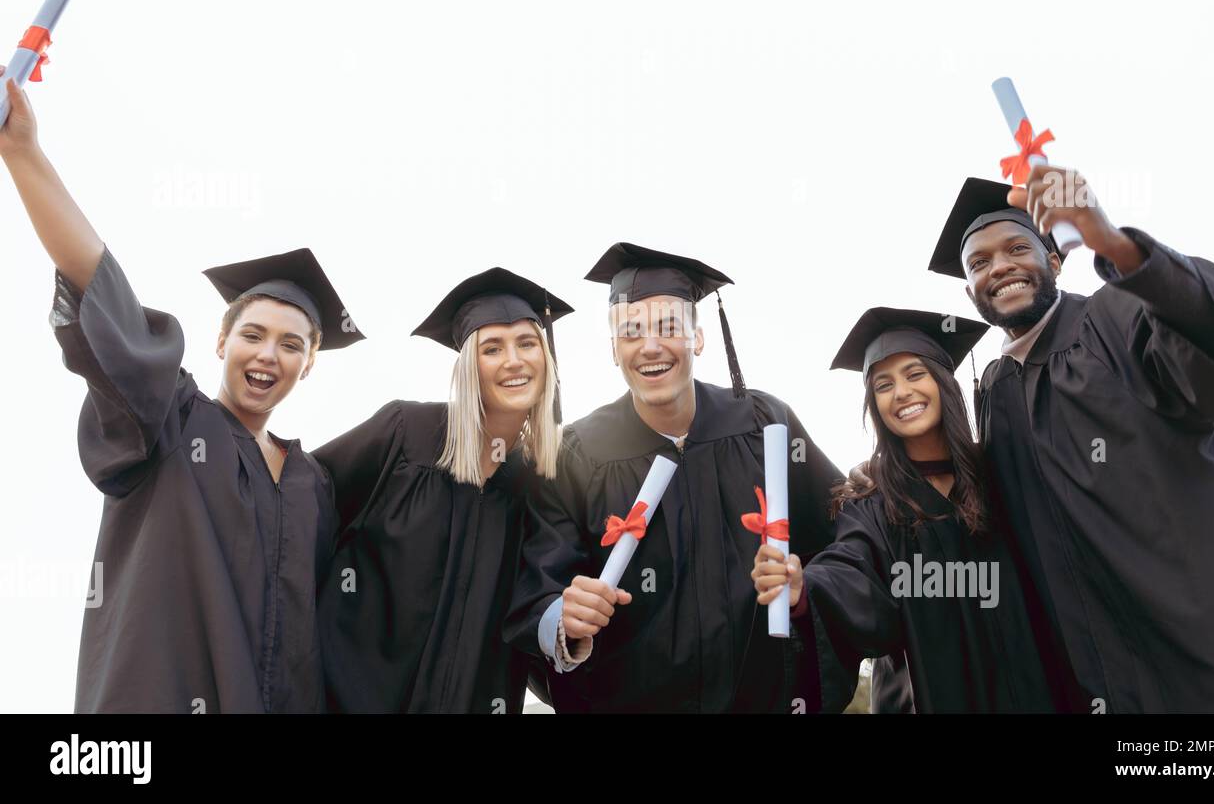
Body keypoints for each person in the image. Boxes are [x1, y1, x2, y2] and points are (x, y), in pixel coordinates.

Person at [0, 72, 364, 712]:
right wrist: (23, 155)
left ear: (309, 365)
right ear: (221, 341)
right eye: (253, 334)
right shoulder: (171, 419)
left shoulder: (314, 484)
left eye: (291, 344)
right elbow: (103, 290)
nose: (268, 355)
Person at [927, 172, 1214, 712]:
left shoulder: (1117, 316)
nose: (999, 267)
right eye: (979, 263)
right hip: (1105, 678)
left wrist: (1116, 245)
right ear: (969, 291)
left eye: (1017, 248)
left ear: (1055, 260)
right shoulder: (995, 390)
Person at [505, 243, 840, 713]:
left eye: (668, 327)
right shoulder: (575, 456)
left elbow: (843, 535)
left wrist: (808, 588)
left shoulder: (764, 425)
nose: (650, 346)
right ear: (614, 349)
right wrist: (565, 619)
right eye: (631, 332)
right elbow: (539, 587)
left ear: (697, 338)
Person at [753, 307, 1060, 712]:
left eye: (915, 374)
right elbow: (852, 568)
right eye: (883, 385)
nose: (901, 393)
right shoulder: (872, 502)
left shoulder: (1002, 477)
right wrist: (806, 589)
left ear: (943, 382)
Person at [314, 268, 570, 712]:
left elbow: (534, 613)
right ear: (469, 366)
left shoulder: (539, 487)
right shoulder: (404, 435)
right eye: (492, 348)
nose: (513, 360)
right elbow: (303, 508)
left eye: (527, 343)